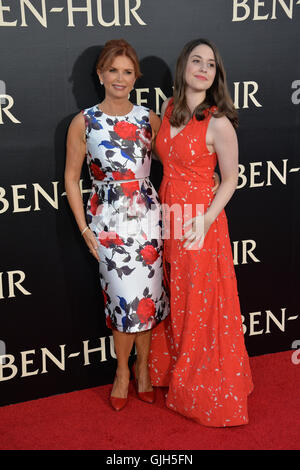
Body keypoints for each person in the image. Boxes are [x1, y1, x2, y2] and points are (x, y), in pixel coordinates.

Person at [148, 38, 254, 427]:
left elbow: (230, 179)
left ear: (216, 75)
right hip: (168, 217)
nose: (203, 68)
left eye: (211, 64)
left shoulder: (219, 122)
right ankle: (171, 371)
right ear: (184, 67)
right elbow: (169, 156)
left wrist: (207, 219)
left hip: (198, 224)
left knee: (199, 303)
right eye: (197, 60)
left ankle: (199, 386)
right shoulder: (169, 109)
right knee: (174, 296)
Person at [64, 39, 170, 411]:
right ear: (100, 74)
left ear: (135, 77)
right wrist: (84, 228)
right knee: (123, 296)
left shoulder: (148, 119)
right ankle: (122, 371)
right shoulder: (84, 121)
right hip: (107, 219)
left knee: (147, 299)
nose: (120, 78)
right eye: (113, 70)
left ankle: (143, 370)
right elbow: (71, 180)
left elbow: (174, 165)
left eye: (127, 71)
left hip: (147, 218)